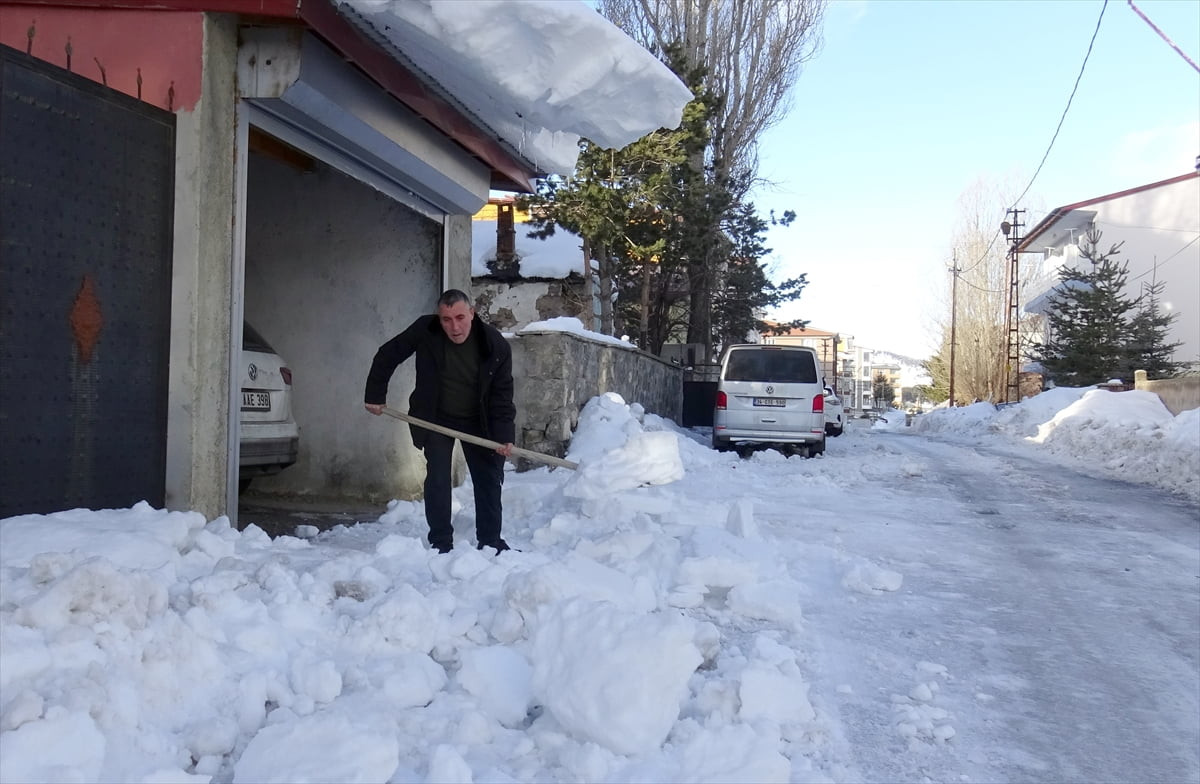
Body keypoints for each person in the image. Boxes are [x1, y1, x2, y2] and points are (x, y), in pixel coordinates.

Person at [364, 289, 515, 554]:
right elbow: (388, 354)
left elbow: (501, 396)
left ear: (472, 313)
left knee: (488, 478)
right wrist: (375, 395)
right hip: (436, 417)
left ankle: (491, 542)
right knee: (438, 479)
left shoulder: (494, 344)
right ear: (439, 318)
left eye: (459, 317)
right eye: (446, 319)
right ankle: (441, 543)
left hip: (477, 420)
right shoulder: (426, 329)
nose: (454, 327)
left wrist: (502, 436)